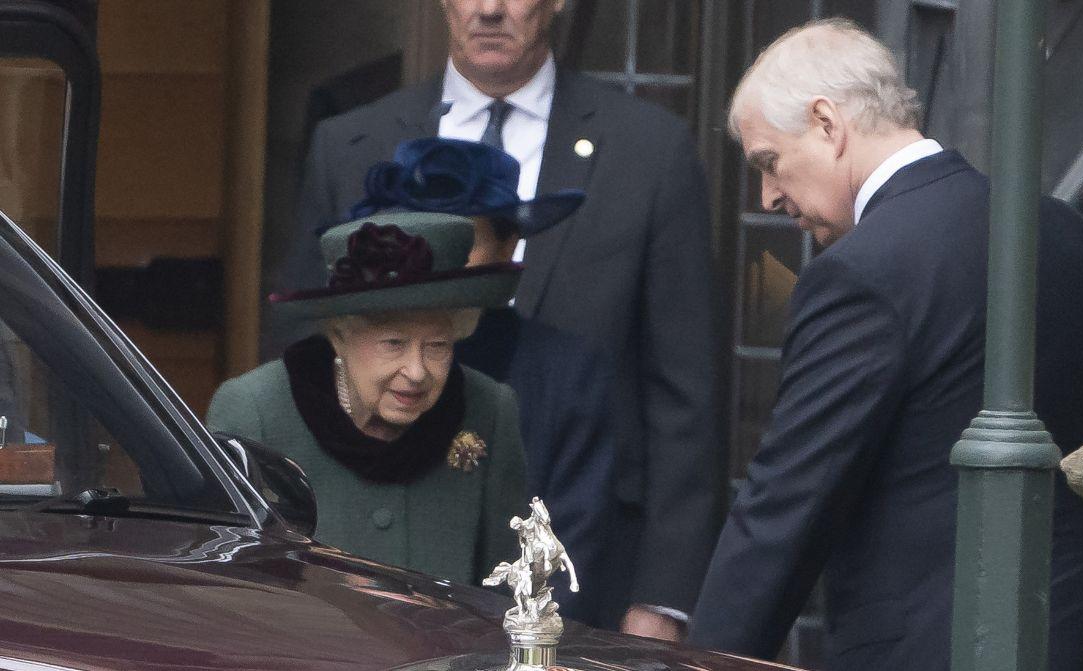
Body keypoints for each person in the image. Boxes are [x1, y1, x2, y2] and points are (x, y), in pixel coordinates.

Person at [686, 19, 1083, 671]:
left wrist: (703, 665)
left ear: (827, 122)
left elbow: (784, 506)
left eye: (769, 162)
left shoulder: (860, 272)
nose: (768, 196)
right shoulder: (1071, 233)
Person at [273, 0, 720, 639]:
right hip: (372, 556)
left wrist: (664, 597)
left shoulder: (651, 151)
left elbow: (686, 391)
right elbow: (302, 354)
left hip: (580, 551)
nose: (488, 9)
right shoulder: (349, 142)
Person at [352, 136, 618, 625]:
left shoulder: (568, 376)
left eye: (459, 239)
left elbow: (567, 555)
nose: (431, 257)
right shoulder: (335, 363)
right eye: (415, 236)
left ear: (508, 245)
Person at [208, 212, 527, 586]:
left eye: (437, 346)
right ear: (340, 337)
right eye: (394, 343)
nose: (417, 371)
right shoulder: (255, 411)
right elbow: (226, 589)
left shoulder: (489, 408)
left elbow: (510, 592)